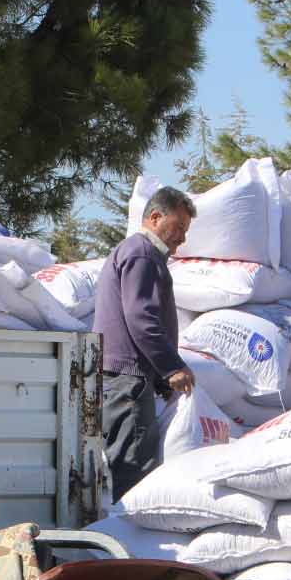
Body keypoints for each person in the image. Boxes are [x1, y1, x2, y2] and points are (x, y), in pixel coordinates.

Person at [91, 186, 197, 499]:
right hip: (128, 380)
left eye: (185, 230)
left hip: (127, 378)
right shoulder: (142, 254)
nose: (182, 238)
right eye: (178, 227)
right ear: (154, 218)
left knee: (128, 464)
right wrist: (171, 368)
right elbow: (142, 318)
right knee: (135, 473)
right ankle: (130, 545)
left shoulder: (138, 253)